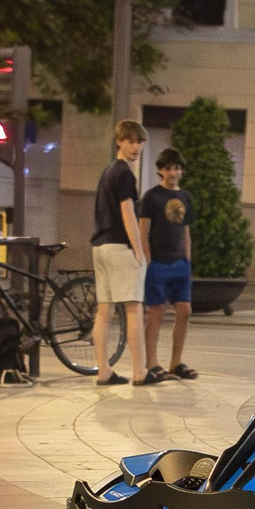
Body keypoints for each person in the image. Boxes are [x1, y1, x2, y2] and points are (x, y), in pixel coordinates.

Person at [91, 121, 149, 386]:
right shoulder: (125, 173)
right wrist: (139, 250)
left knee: (104, 311)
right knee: (134, 308)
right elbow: (128, 212)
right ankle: (140, 371)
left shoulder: (107, 172)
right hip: (119, 246)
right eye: (130, 141)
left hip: (100, 246)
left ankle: (103, 370)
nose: (135, 147)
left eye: (139, 142)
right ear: (119, 142)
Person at [138, 148, 196, 385]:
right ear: (161, 170)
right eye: (169, 168)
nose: (173, 173)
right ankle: (152, 362)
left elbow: (186, 230)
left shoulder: (186, 197)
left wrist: (187, 260)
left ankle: (176, 362)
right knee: (156, 312)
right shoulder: (152, 197)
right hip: (158, 263)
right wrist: (148, 261)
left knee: (185, 310)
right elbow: (144, 230)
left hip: (179, 264)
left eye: (177, 168)